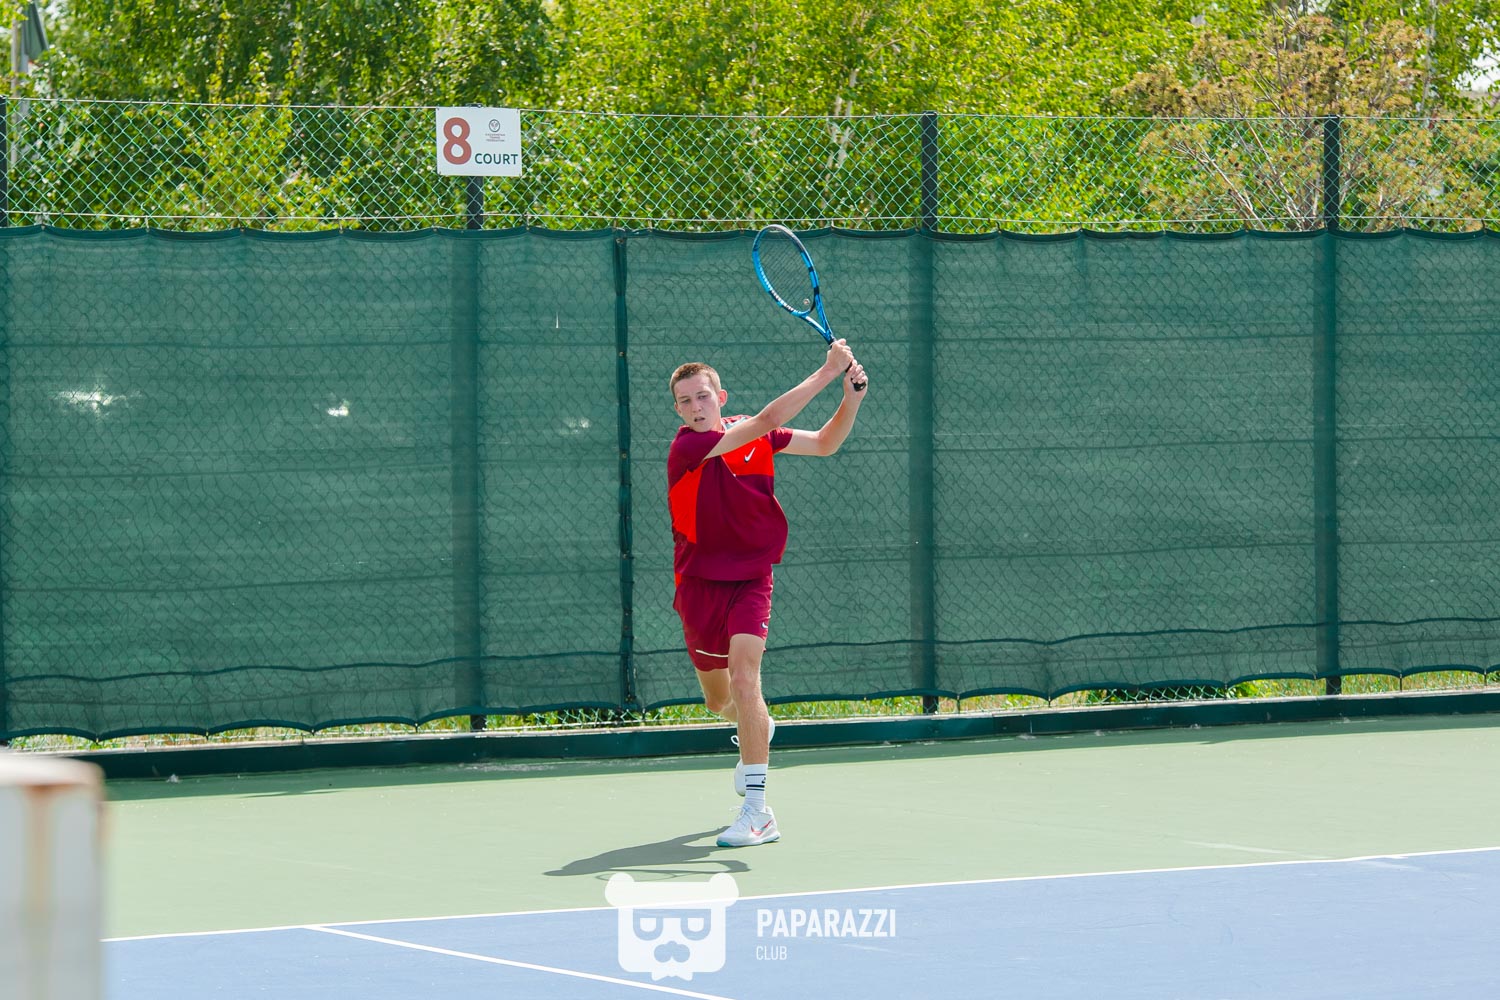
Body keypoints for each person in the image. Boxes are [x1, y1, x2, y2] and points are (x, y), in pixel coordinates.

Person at [667, 339, 868, 848]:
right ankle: (756, 724)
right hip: (699, 585)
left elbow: (825, 443)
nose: (696, 407)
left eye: (703, 396)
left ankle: (757, 812)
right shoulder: (687, 448)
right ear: (678, 410)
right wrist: (827, 371)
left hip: (752, 577)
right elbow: (768, 418)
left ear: (720, 397)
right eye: (686, 401)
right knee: (719, 700)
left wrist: (851, 399)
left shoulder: (754, 437)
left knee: (745, 678)